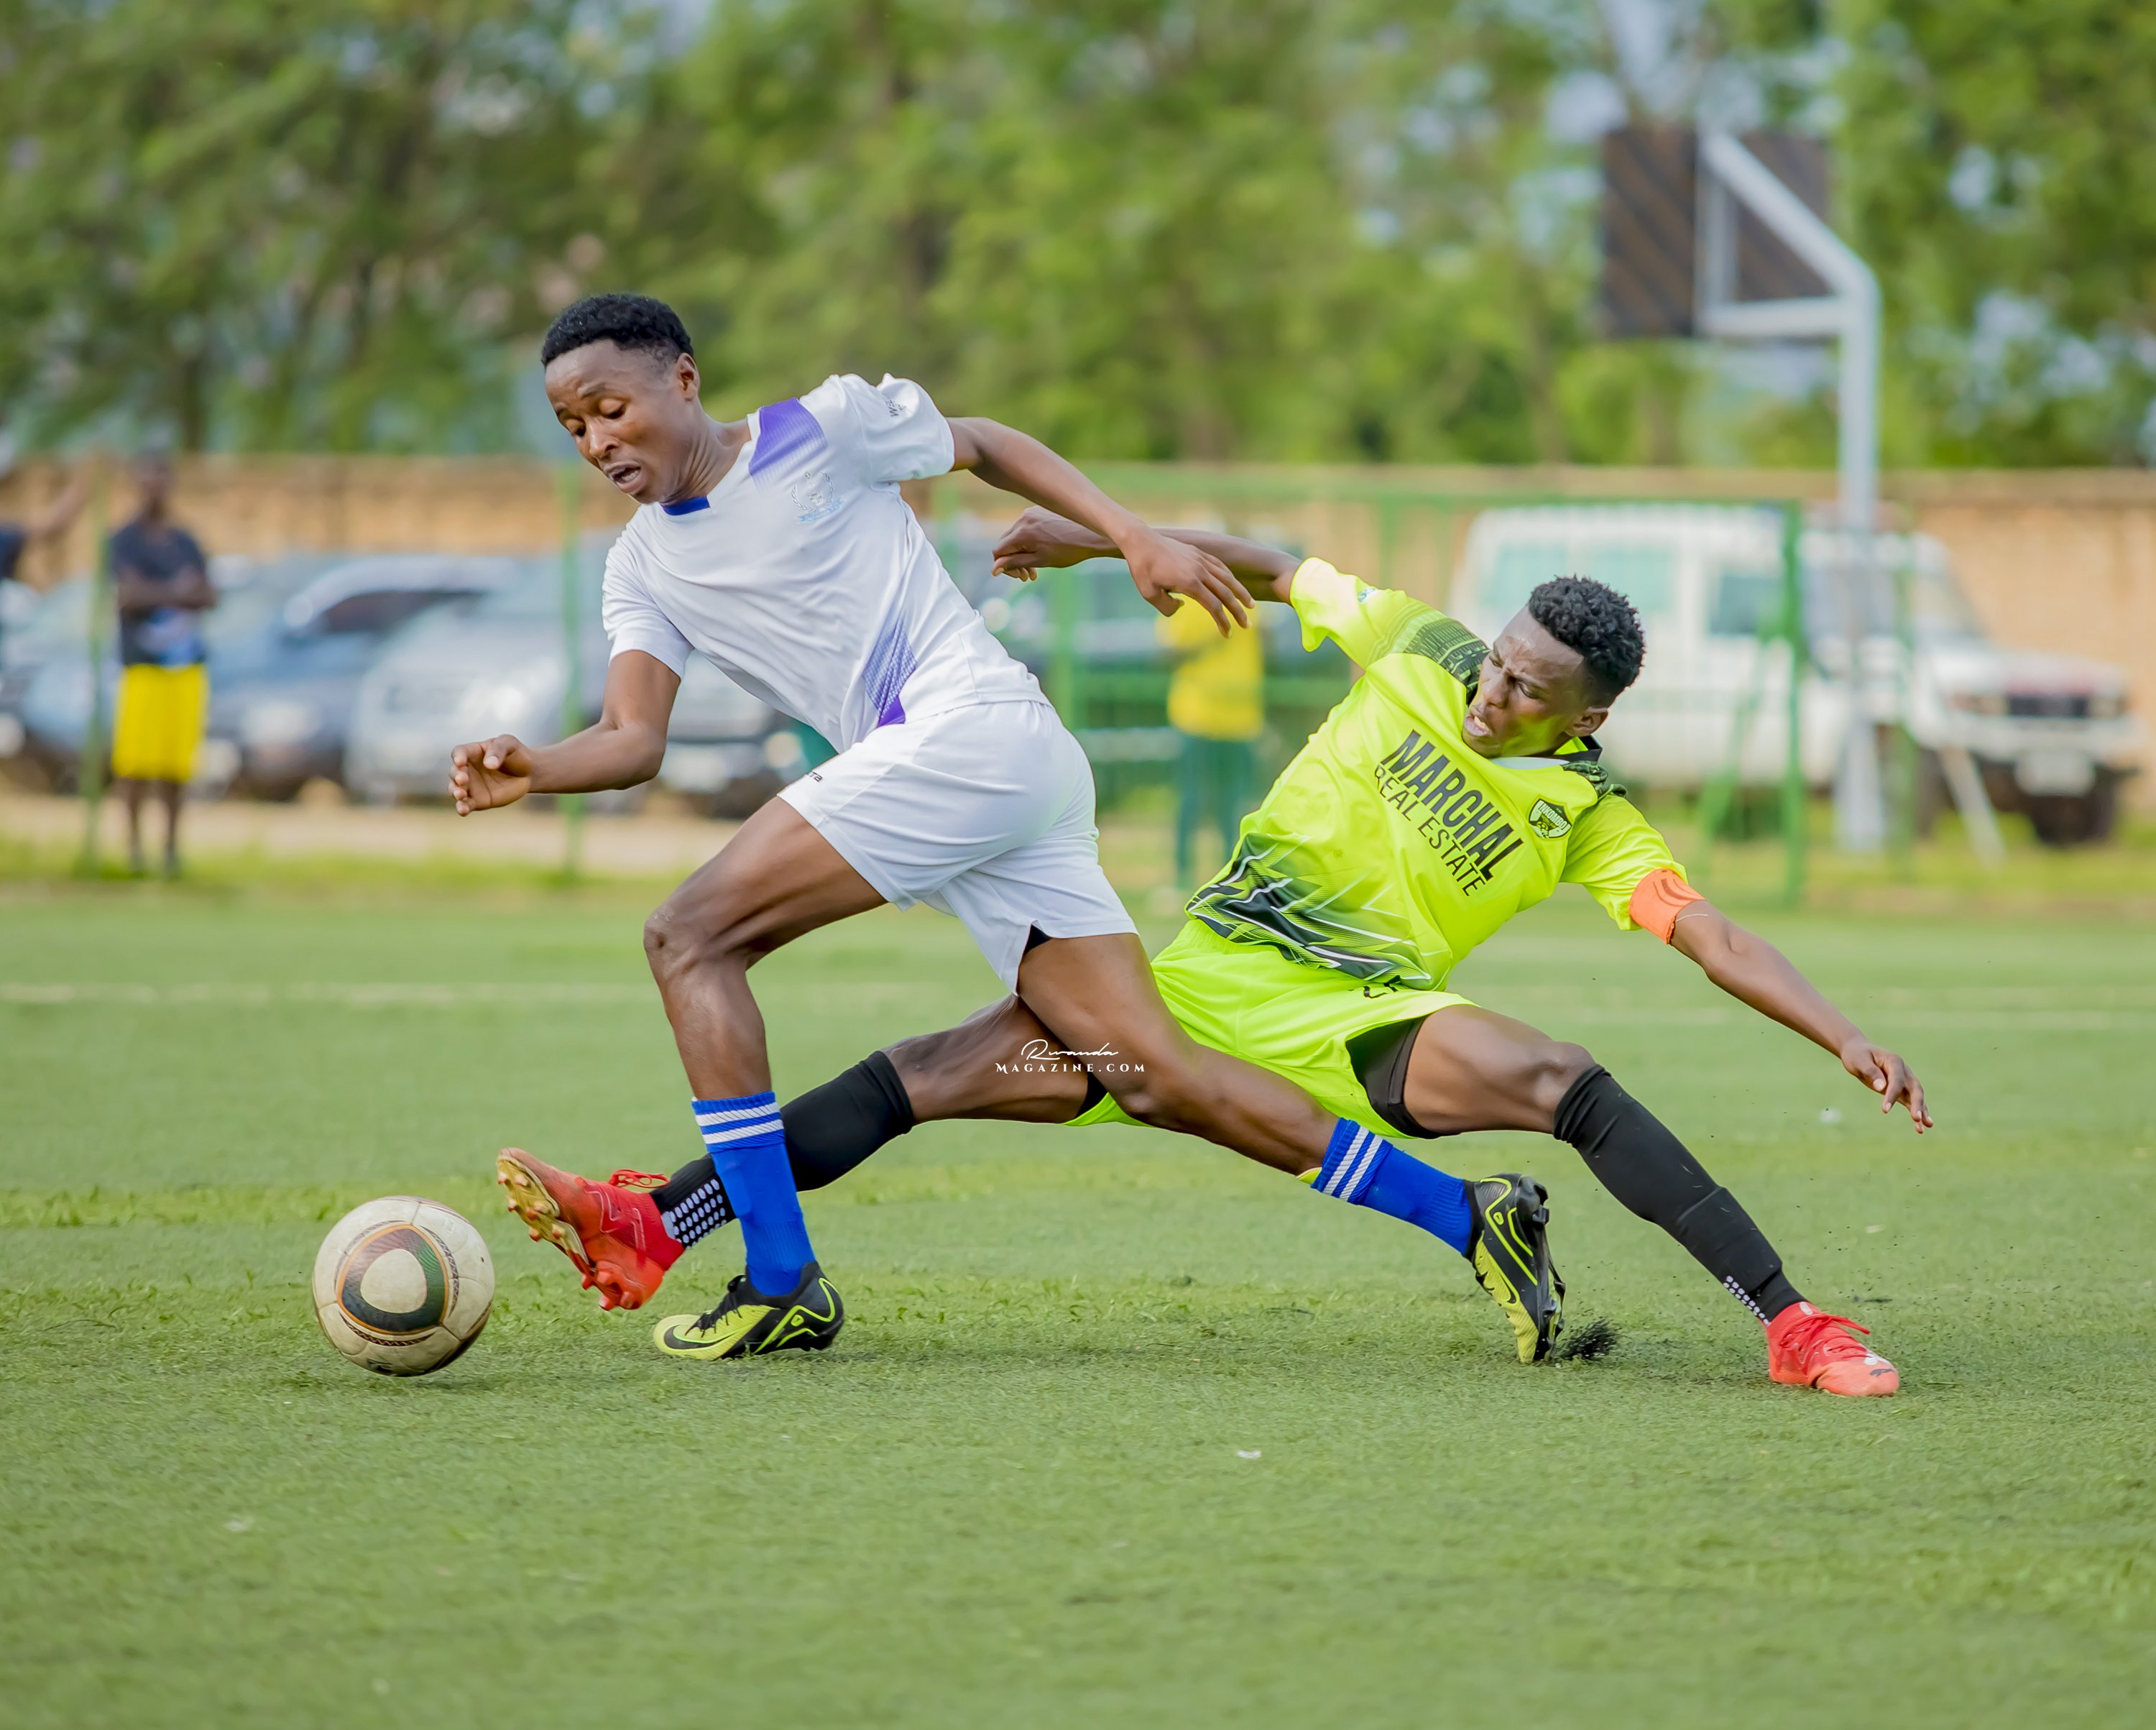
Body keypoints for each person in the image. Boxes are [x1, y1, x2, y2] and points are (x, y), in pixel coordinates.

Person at [454, 294, 1559, 1364]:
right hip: (987, 783)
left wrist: (1131, 536)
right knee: (1153, 1073)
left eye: (611, 408)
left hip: (967, 733)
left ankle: (781, 1275)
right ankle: (1473, 1213)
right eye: (572, 425)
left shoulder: (819, 428)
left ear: (685, 380)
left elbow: (981, 442)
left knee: (688, 936)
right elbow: (633, 736)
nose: (597, 441)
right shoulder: (642, 565)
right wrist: (537, 764)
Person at [624, 511, 1931, 1399]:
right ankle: (664, 1215)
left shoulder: (1591, 816)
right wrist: (1101, 538)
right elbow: (1267, 564)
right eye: (1499, 663)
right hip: (1180, 1001)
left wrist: (1843, 1032)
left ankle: (1793, 1322)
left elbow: (1712, 933)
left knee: (1566, 1081)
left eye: (1530, 690)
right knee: (916, 1076)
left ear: (1588, 718)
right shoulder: (1418, 641)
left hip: (1369, 1019)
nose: (1493, 692)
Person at [109, 455, 215, 877]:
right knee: (136, 764)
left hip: (185, 667)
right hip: (143, 666)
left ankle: (170, 853)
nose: (155, 489)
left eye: (161, 480)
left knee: (176, 767)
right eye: (147, 481)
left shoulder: (184, 542)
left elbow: (208, 595)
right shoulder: (125, 540)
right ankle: (134, 851)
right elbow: (128, 596)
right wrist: (176, 590)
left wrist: (156, 592)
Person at [1158, 592, 1262, 887]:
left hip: (1240, 717)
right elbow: (1167, 654)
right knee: (1192, 798)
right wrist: (1211, 639)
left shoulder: (1246, 598)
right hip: (1197, 716)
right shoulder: (1186, 601)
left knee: (1233, 804)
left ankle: (1231, 876)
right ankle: (1182, 875)